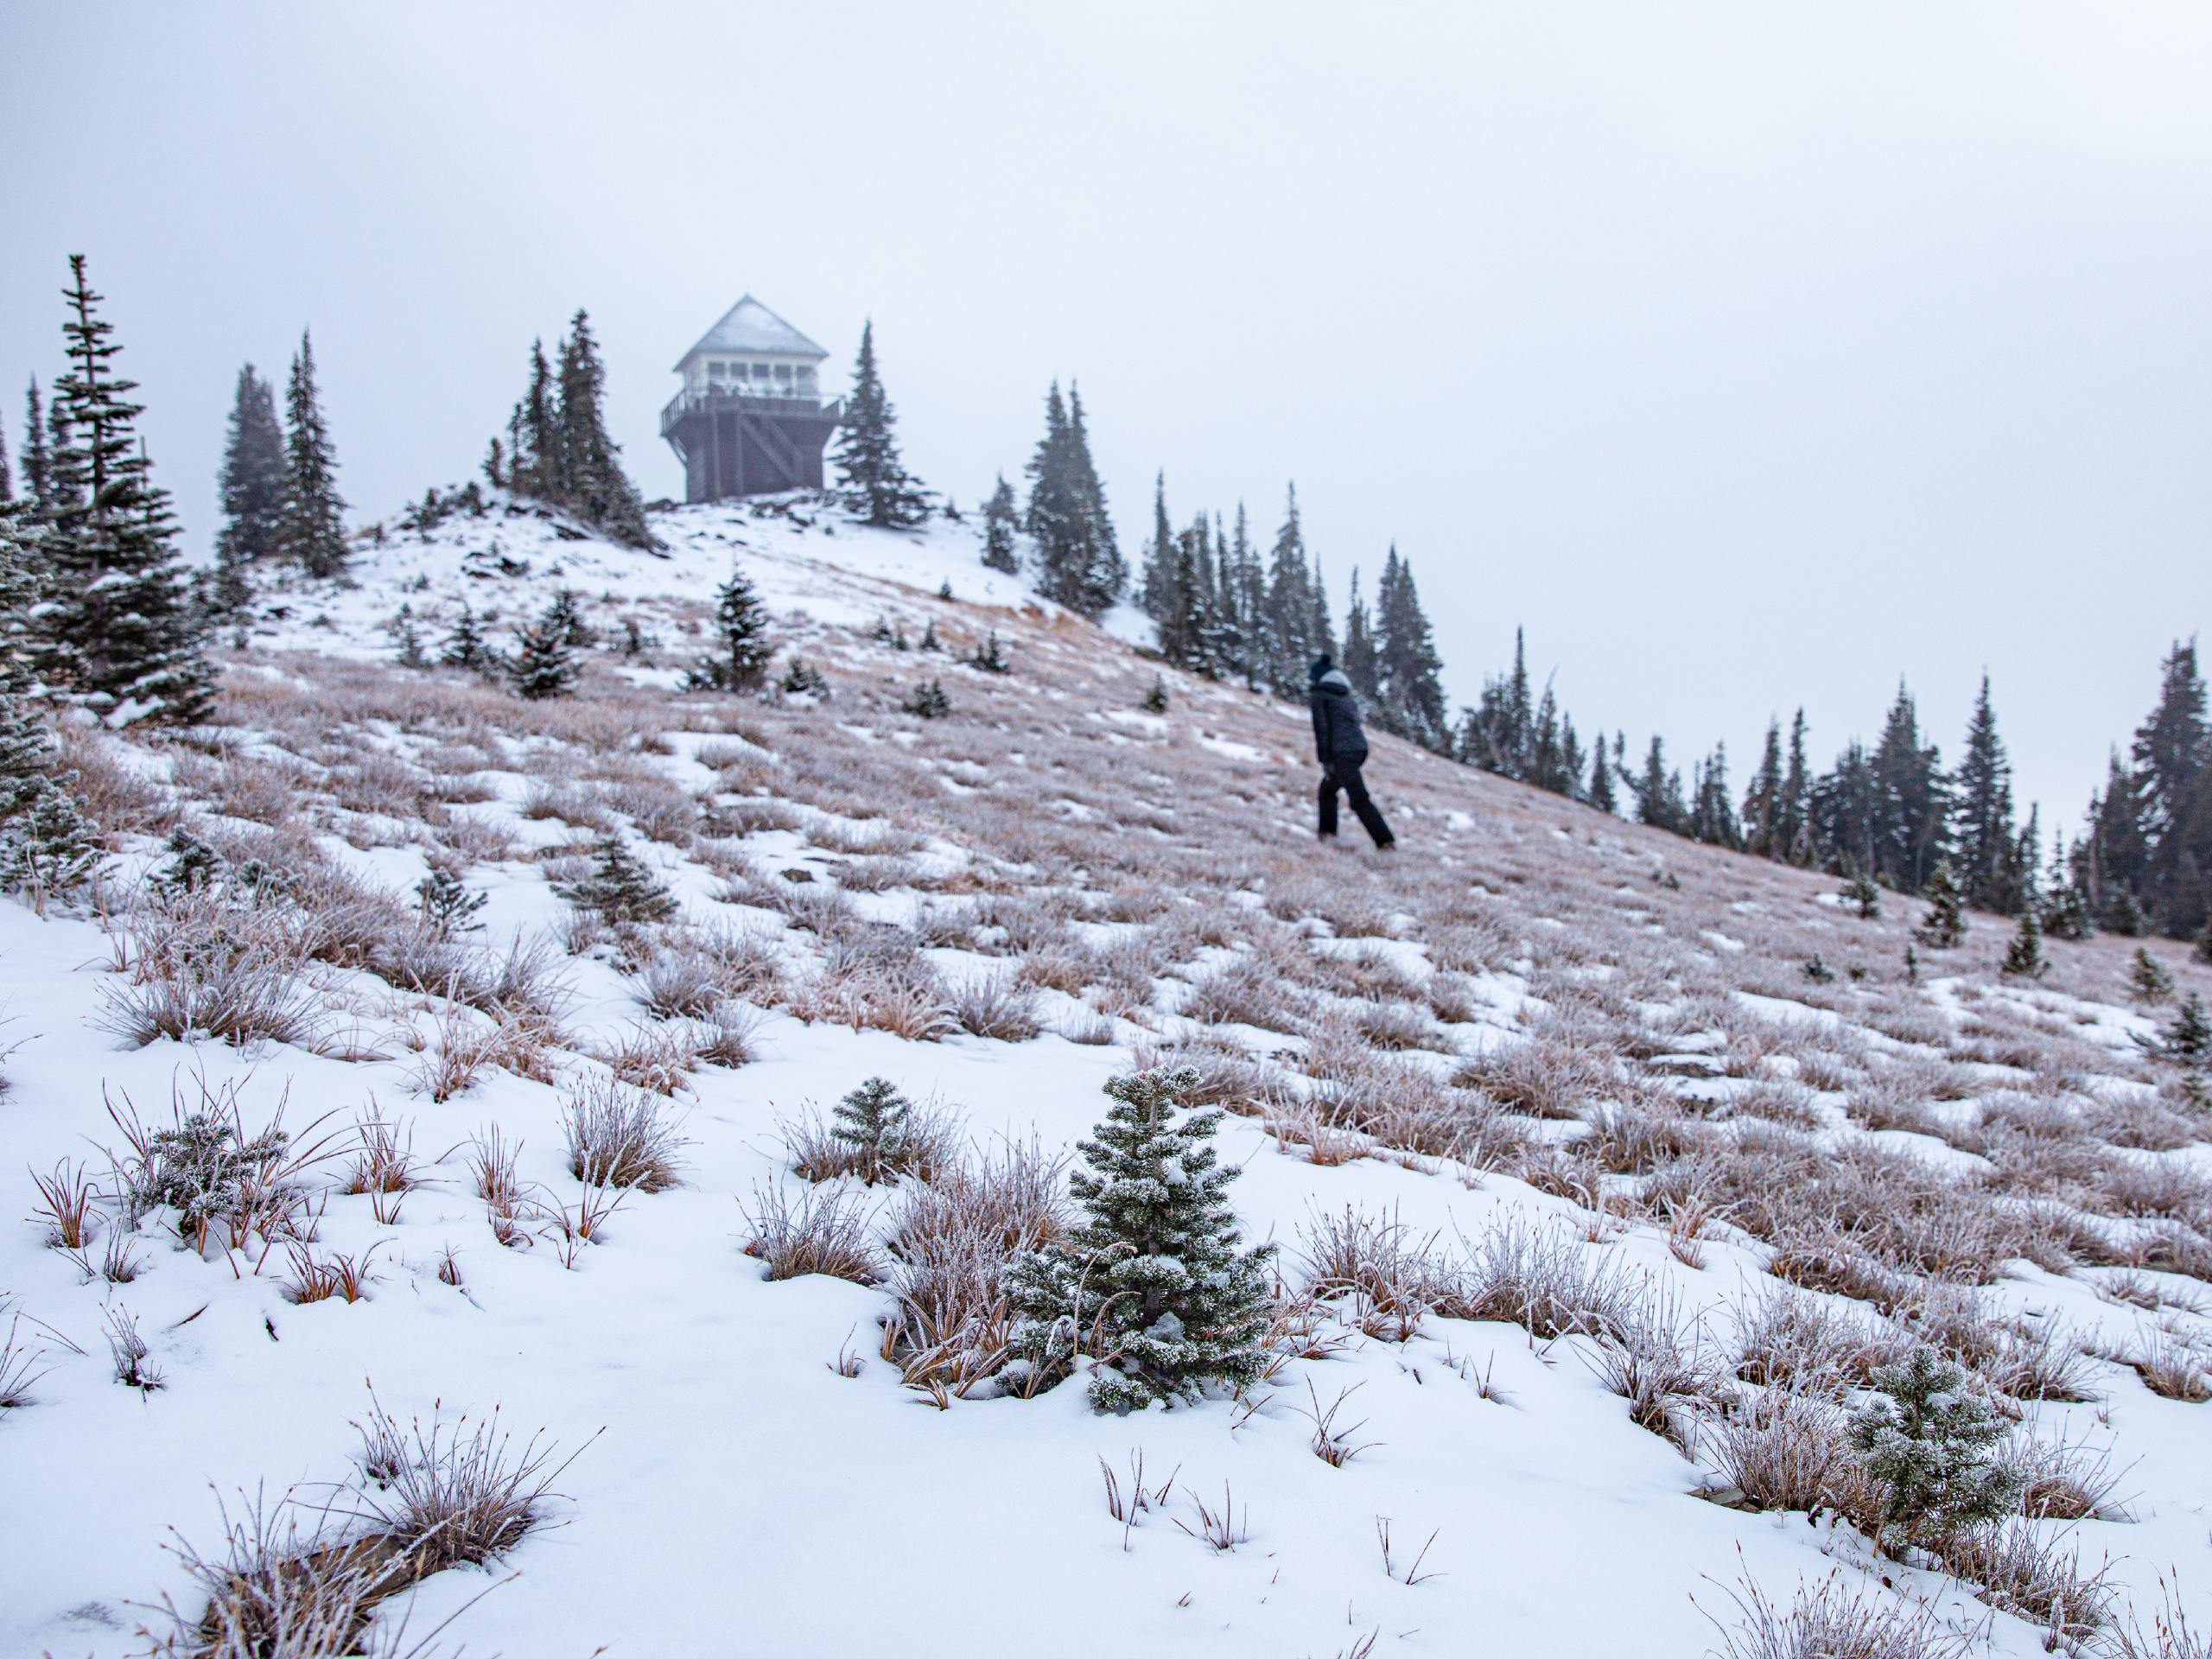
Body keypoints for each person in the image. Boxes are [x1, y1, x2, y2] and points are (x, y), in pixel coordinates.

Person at [1307, 653, 1395, 850]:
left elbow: (1321, 729)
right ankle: (1327, 836)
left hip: (1342, 753)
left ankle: (1385, 841)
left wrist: (1326, 761)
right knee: (1327, 790)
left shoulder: (1319, 695)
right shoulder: (1344, 693)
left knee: (1358, 799)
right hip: (1359, 749)